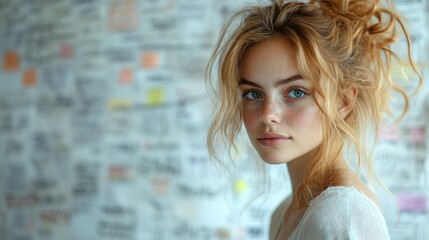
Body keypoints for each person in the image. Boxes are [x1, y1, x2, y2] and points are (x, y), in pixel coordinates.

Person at [206, 0, 422, 239]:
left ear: (343, 101)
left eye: (296, 92)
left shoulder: (342, 215)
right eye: (253, 94)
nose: (268, 114)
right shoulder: (284, 212)